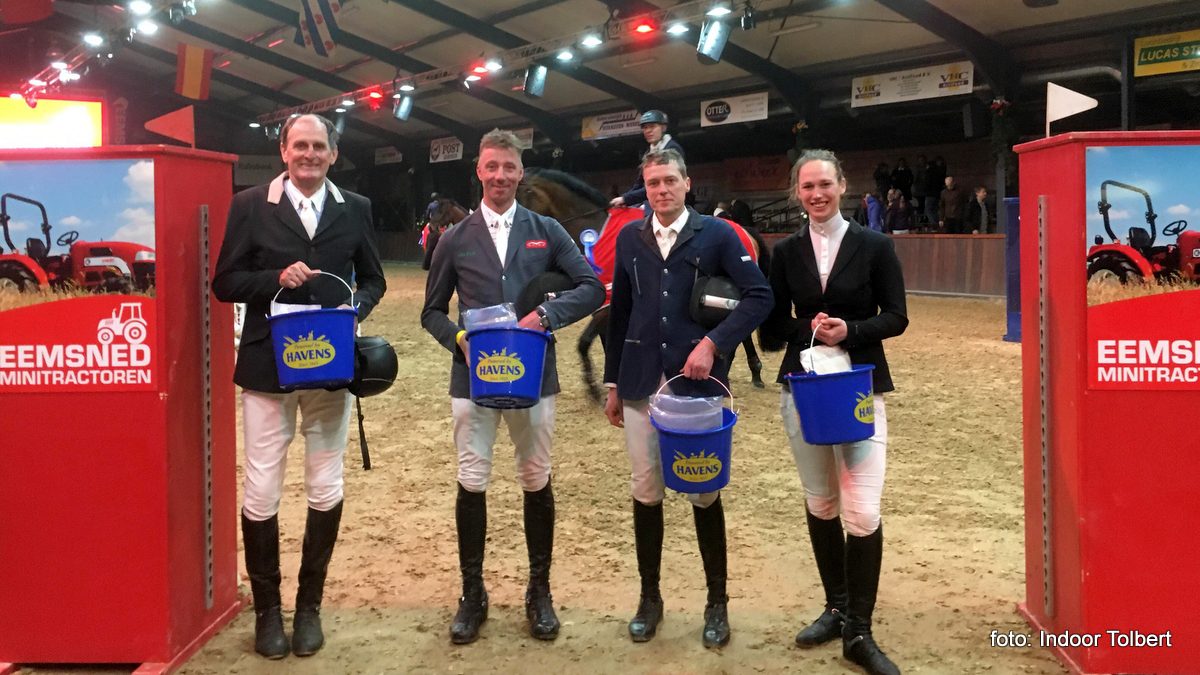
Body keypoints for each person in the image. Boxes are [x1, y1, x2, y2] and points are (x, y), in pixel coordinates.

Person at [212, 113, 387, 659]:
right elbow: (224, 282)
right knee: (261, 487)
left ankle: (308, 607)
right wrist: (273, 280)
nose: (309, 154)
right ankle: (269, 613)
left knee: (325, 483)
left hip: (329, 366)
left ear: (333, 154)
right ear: (284, 151)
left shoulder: (354, 208)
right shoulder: (248, 205)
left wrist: (355, 311)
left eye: (320, 146)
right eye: (300, 145)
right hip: (268, 367)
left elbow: (375, 277)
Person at [421, 129, 604, 645]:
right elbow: (431, 311)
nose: (500, 176)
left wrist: (545, 316)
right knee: (472, 478)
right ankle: (472, 594)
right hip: (473, 380)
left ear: (520, 173)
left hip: (533, 376)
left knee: (535, 476)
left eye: (509, 167)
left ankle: (539, 592)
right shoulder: (454, 238)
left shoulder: (545, 229)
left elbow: (591, 287)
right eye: (491, 167)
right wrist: (457, 339)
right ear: (478, 171)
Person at [602, 148, 772, 649]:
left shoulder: (717, 235)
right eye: (652, 182)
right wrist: (613, 382)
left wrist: (713, 343)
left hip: (697, 386)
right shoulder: (632, 239)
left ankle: (716, 602)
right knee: (646, 489)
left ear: (687, 183)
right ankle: (649, 599)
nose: (661, 190)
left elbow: (759, 296)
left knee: (703, 491)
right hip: (638, 382)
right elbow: (621, 312)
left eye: (669, 181)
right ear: (645, 188)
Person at [762, 149, 907, 675]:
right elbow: (772, 329)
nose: (816, 194)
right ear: (796, 193)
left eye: (825, 184)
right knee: (821, 503)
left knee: (862, 512)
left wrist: (852, 330)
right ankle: (836, 607)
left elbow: (897, 316)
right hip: (802, 391)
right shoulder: (785, 252)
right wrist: (807, 328)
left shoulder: (875, 245)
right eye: (807, 187)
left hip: (859, 387)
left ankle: (859, 632)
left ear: (842, 185)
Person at [609, 110, 685, 209]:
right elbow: (640, 182)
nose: (648, 131)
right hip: (653, 201)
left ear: (663, 127)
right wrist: (624, 199)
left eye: (652, 126)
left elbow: (659, 183)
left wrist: (626, 199)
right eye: (645, 127)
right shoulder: (649, 152)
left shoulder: (672, 149)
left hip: (668, 201)